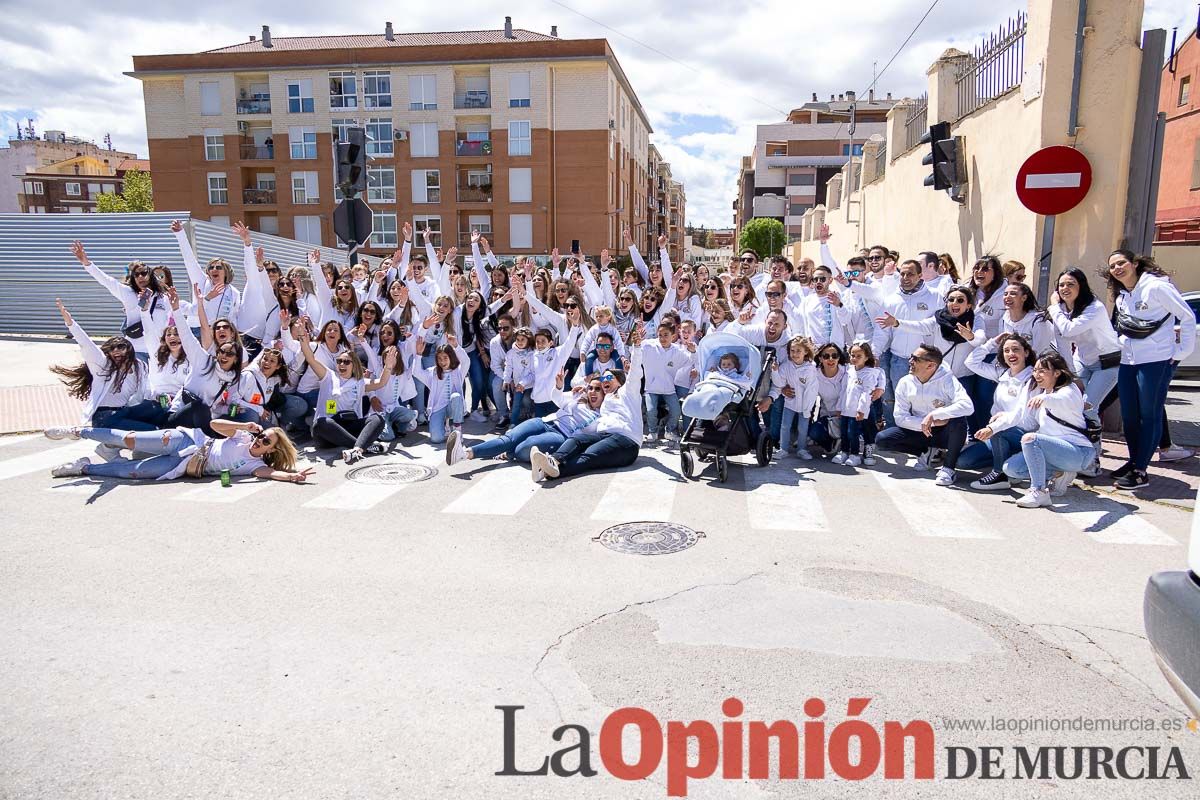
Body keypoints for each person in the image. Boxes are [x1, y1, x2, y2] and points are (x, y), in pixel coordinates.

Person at [1107, 249, 1196, 489]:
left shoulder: (1157, 287)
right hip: (1128, 362)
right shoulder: (1122, 295)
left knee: (1150, 414)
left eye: (1121, 263)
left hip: (1155, 361)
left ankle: (1140, 471)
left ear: (1135, 263)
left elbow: (1186, 316)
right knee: (1129, 416)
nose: (1117, 269)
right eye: (1113, 266)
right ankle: (1135, 460)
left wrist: (1181, 353)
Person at [47, 419, 311, 484]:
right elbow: (213, 425)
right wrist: (244, 425)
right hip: (186, 441)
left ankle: (83, 467)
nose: (260, 441)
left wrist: (293, 476)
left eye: (266, 442)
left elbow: (273, 474)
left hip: (184, 466)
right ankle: (77, 431)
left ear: (271, 450)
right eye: (262, 435)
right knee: (131, 439)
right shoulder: (242, 435)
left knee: (131, 472)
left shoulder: (254, 466)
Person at [991, 352, 1098, 508]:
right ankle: (1060, 473)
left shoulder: (1070, 389)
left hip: (1079, 453)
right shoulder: (1043, 392)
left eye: (1042, 371)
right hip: (1055, 453)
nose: (1036, 375)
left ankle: (1039, 492)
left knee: (1030, 438)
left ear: (1057, 373)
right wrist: (1000, 420)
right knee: (1011, 469)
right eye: (1035, 370)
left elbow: (1063, 399)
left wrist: (1044, 399)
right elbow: (1020, 414)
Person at [528, 340, 645, 482]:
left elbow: (635, 374)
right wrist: (582, 390)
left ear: (620, 381)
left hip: (626, 441)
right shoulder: (605, 400)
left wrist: (637, 347)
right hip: (605, 436)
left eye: (608, 377)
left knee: (589, 455)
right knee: (577, 440)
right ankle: (551, 462)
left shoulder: (628, 392)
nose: (604, 381)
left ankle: (549, 473)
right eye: (602, 378)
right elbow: (588, 396)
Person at [1047, 268, 1121, 475]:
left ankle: (1093, 460)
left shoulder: (1094, 308)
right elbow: (1062, 342)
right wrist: (1072, 376)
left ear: (1082, 286)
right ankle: (1076, 453)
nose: (1065, 289)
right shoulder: (1062, 310)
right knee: (1073, 404)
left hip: (1108, 364)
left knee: (1088, 407)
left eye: (1070, 284)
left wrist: (1054, 308)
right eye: (1061, 285)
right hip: (1083, 361)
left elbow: (1070, 330)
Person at [446, 370, 605, 466]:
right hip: (546, 422)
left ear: (605, 393)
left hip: (561, 436)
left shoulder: (603, 414)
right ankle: (464, 454)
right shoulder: (577, 396)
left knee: (524, 447)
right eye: (590, 387)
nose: (592, 392)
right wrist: (559, 386)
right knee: (508, 439)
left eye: (597, 389)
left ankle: (507, 454)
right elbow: (557, 398)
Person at [49, 300, 151, 447]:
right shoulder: (103, 367)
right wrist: (71, 323)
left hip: (126, 412)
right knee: (150, 432)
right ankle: (78, 432)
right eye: (113, 348)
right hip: (106, 417)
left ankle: (107, 453)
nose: (116, 350)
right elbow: (87, 345)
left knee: (155, 421)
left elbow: (145, 391)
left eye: (121, 347)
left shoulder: (140, 367)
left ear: (129, 349)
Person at [875, 344, 975, 486]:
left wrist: (935, 415)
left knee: (958, 420)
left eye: (916, 359)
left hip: (946, 432)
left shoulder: (948, 380)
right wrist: (929, 422)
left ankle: (948, 468)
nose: (910, 361)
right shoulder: (905, 382)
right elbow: (900, 417)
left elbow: (967, 406)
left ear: (930, 365)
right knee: (882, 439)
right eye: (911, 357)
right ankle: (926, 452)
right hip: (920, 430)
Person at [296, 327, 392, 464]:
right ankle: (365, 447)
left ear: (354, 365)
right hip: (328, 431)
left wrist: (388, 367)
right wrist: (302, 340)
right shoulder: (328, 376)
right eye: (339, 361)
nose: (342, 364)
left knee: (377, 419)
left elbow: (381, 382)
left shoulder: (359, 382)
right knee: (321, 422)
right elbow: (311, 359)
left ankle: (356, 449)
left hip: (349, 425)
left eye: (346, 362)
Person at [71, 240, 168, 363]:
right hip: (136, 352)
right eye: (136, 275)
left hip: (158, 352)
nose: (140, 277)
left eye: (144, 273)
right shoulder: (128, 293)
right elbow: (106, 280)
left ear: (150, 275)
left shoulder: (162, 298)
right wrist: (86, 263)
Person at [961, 333, 1037, 490]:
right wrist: (992, 342)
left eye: (1015, 349)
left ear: (1026, 352)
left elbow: (1027, 419)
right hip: (1000, 434)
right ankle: (1009, 463)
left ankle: (999, 474)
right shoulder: (1002, 374)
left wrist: (999, 422)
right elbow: (971, 362)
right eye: (1006, 350)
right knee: (963, 462)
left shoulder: (1033, 378)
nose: (1011, 354)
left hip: (1023, 435)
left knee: (998, 429)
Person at [414, 329, 471, 446]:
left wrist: (456, 345)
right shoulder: (433, 373)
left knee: (456, 396)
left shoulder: (458, 371)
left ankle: (457, 431)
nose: (442, 361)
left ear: (451, 357)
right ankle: (445, 428)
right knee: (436, 439)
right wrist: (418, 355)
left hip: (452, 406)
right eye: (439, 358)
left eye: (445, 358)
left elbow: (466, 361)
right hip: (438, 408)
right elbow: (416, 372)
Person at [833, 341, 885, 467]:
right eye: (852, 355)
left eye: (858, 356)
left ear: (866, 357)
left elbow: (866, 393)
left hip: (857, 410)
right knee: (844, 432)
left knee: (854, 432)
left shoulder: (869, 373)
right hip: (846, 408)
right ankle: (844, 451)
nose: (854, 358)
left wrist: (861, 409)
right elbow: (843, 390)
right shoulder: (849, 371)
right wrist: (839, 407)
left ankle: (855, 454)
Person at [641, 319, 689, 444]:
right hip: (651, 388)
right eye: (660, 335)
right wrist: (637, 339)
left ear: (673, 336)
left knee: (676, 410)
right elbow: (634, 349)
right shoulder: (648, 346)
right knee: (651, 411)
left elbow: (690, 360)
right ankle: (652, 432)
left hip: (669, 388)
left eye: (666, 335)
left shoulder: (677, 350)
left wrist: (693, 353)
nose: (662, 338)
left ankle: (670, 431)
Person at [771, 335, 818, 459]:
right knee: (785, 426)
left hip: (805, 405)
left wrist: (807, 408)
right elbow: (779, 383)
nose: (795, 354)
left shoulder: (810, 368)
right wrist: (775, 371)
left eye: (798, 351)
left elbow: (812, 390)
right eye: (792, 350)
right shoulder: (786, 366)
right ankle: (783, 449)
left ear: (805, 352)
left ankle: (802, 449)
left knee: (802, 428)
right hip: (790, 403)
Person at [810, 343, 847, 456]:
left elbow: (876, 372)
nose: (831, 359)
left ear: (839, 358)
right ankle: (831, 444)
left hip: (847, 416)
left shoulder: (848, 372)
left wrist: (880, 388)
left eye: (834, 356)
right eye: (826, 356)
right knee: (815, 432)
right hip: (828, 417)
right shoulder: (814, 374)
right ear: (820, 358)